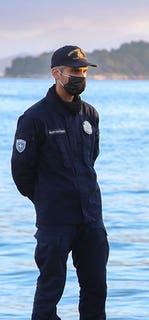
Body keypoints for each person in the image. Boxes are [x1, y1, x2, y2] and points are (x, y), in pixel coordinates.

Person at [11, 45, 109, 319]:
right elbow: (21, 173)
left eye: (84, 71)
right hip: (55, 221)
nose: (80, 76)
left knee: (96, 289)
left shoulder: (90, 114)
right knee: (49, 290)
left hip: (91, 218)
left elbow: (92, 158)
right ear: (56, 73)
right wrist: (47, 198)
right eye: (74, 71)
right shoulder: (34, 118)